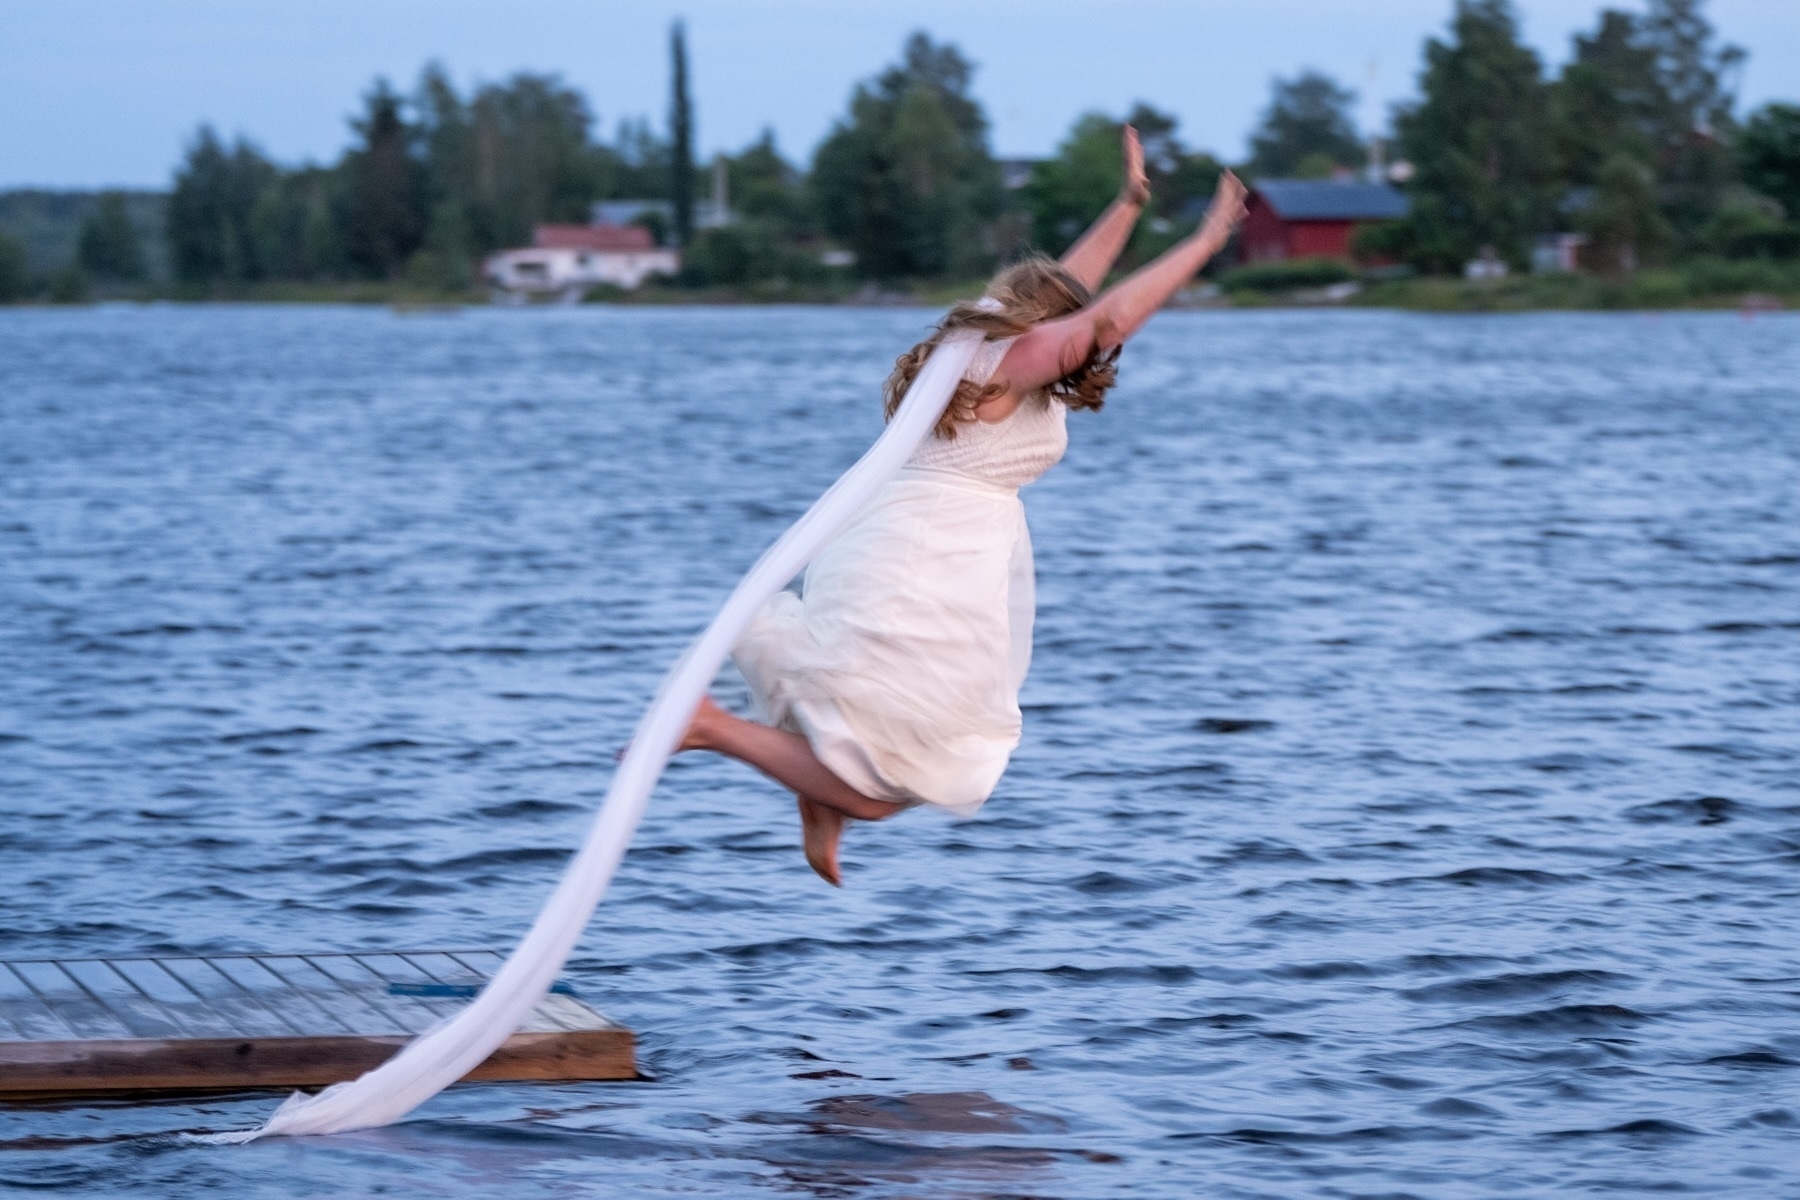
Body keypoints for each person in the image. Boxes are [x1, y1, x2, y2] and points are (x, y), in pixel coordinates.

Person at [680, 127, 1249, 885]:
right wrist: (1208, 237)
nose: (1080, 338)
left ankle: (818, 800)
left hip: (919, 543)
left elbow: (1073, 292)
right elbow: (1104, 319)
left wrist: (1128, 205)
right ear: (1047, 325)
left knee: (884, 746)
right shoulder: (1009, 363)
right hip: (923, 556)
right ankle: (716, 730)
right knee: (908, 770)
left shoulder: (988, 343)